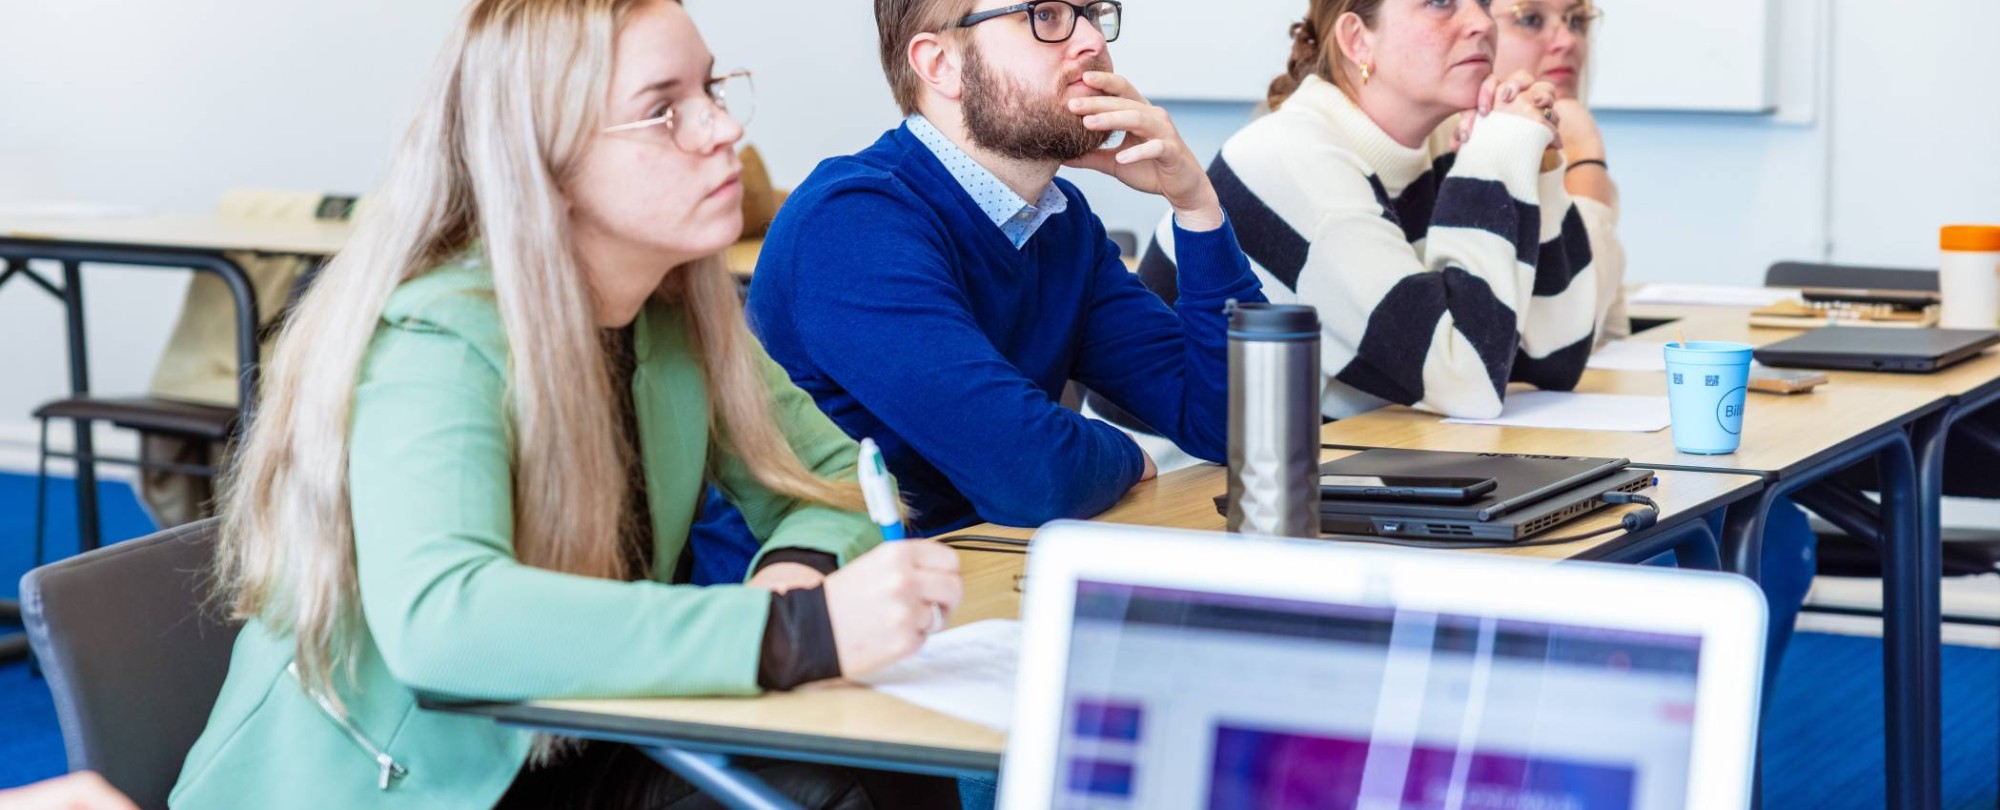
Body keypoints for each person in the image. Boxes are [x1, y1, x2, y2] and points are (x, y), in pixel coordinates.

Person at [169, 1, 961, 807]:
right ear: (545, 160)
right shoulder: (435, 338)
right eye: (663, 111)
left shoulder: (671, 308)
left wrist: (800, 572)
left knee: (882, 757)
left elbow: (833, 475)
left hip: (581, 730)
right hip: (411, 785)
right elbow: (445, 619)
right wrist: (791, 635)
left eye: (712, 90)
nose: (723, 129)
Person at [734, 0, 1266, 538]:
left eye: (1091, 12)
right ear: (940, 64)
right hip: (824, 600)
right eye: (1047, 15)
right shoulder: (849, 223)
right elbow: (1034, 477)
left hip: (974, 580)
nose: (1091, 42)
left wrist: (1197, 207)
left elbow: (1246, 430)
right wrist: (1129, 454)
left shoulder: (1059, 223)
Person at [1137, 0, 1599, 423]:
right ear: (1358, 39)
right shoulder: (1291, 160)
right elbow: (1469, 385)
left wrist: (1535, 162)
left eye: (1481, 3)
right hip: (1190, 492)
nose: (1480, 22)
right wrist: (1494, 160)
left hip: (1338, 468)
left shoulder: (1438, 144)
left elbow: (1556, 356)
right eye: (1441, 3)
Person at [1490, 0, 1628, 345]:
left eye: (1577, 21)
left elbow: (1610, 337)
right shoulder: (1458, 161)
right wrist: (1586, 159)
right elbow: (1569, 338)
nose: (1567, 41)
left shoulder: (1562, 151)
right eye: (1531, 19)